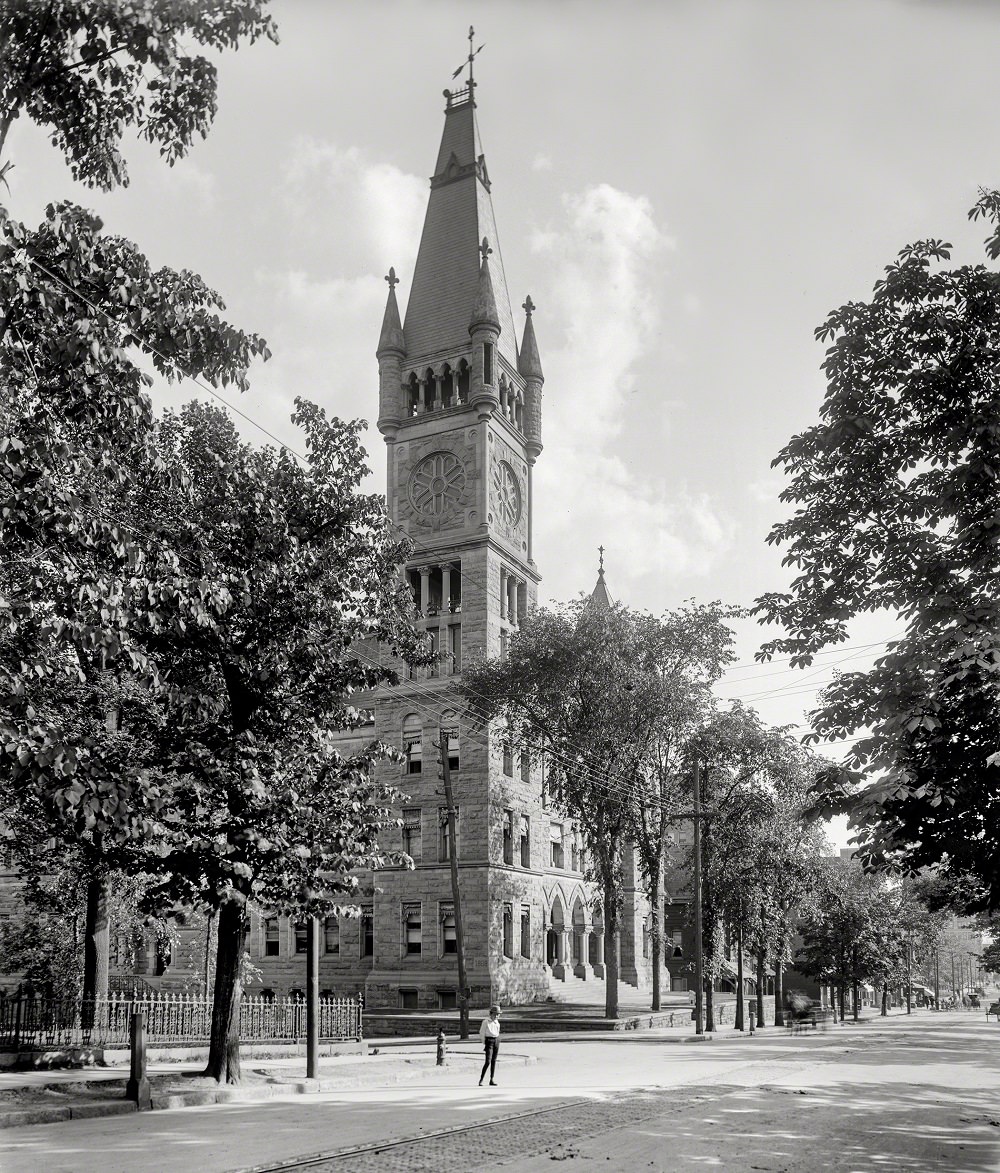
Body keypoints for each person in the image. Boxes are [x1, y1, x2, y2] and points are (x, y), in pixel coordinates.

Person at [478, 1004, 501, 1086]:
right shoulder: (486, 1022)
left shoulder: (497, 1023)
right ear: (491, 1014)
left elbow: (497, 1032)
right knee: (488, 1061)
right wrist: (485, 1042)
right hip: (489, 1041)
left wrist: (497, 1040)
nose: (497, 1016)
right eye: (495, 1014)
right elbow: (482, 1033)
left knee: (493, 1061)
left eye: (498, 1014)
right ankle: (481, 1079)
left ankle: (492, 1079)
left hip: (496, 1040)